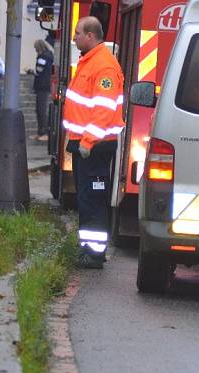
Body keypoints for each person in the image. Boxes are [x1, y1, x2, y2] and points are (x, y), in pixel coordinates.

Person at [63, 16, 124, 269]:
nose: (74, 37)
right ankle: (88, 248)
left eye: (78, 33)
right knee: (87, 199)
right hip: (85, 145)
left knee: (94, 200)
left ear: (90, 36)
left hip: (94, 147)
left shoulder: (103, 66)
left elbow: (104, 109)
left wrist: (88, 142)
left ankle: (95, 253)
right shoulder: (90, 62)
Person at [28, 38, 53, 141]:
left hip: (42, 86)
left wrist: (29, 71)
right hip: (46, 85)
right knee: (41, 109)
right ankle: (41, 132)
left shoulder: (42, 57)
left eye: (35, 48)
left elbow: (38, 71)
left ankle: (44, 132)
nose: (35, 50)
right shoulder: (50, 55)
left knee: (41, 110)